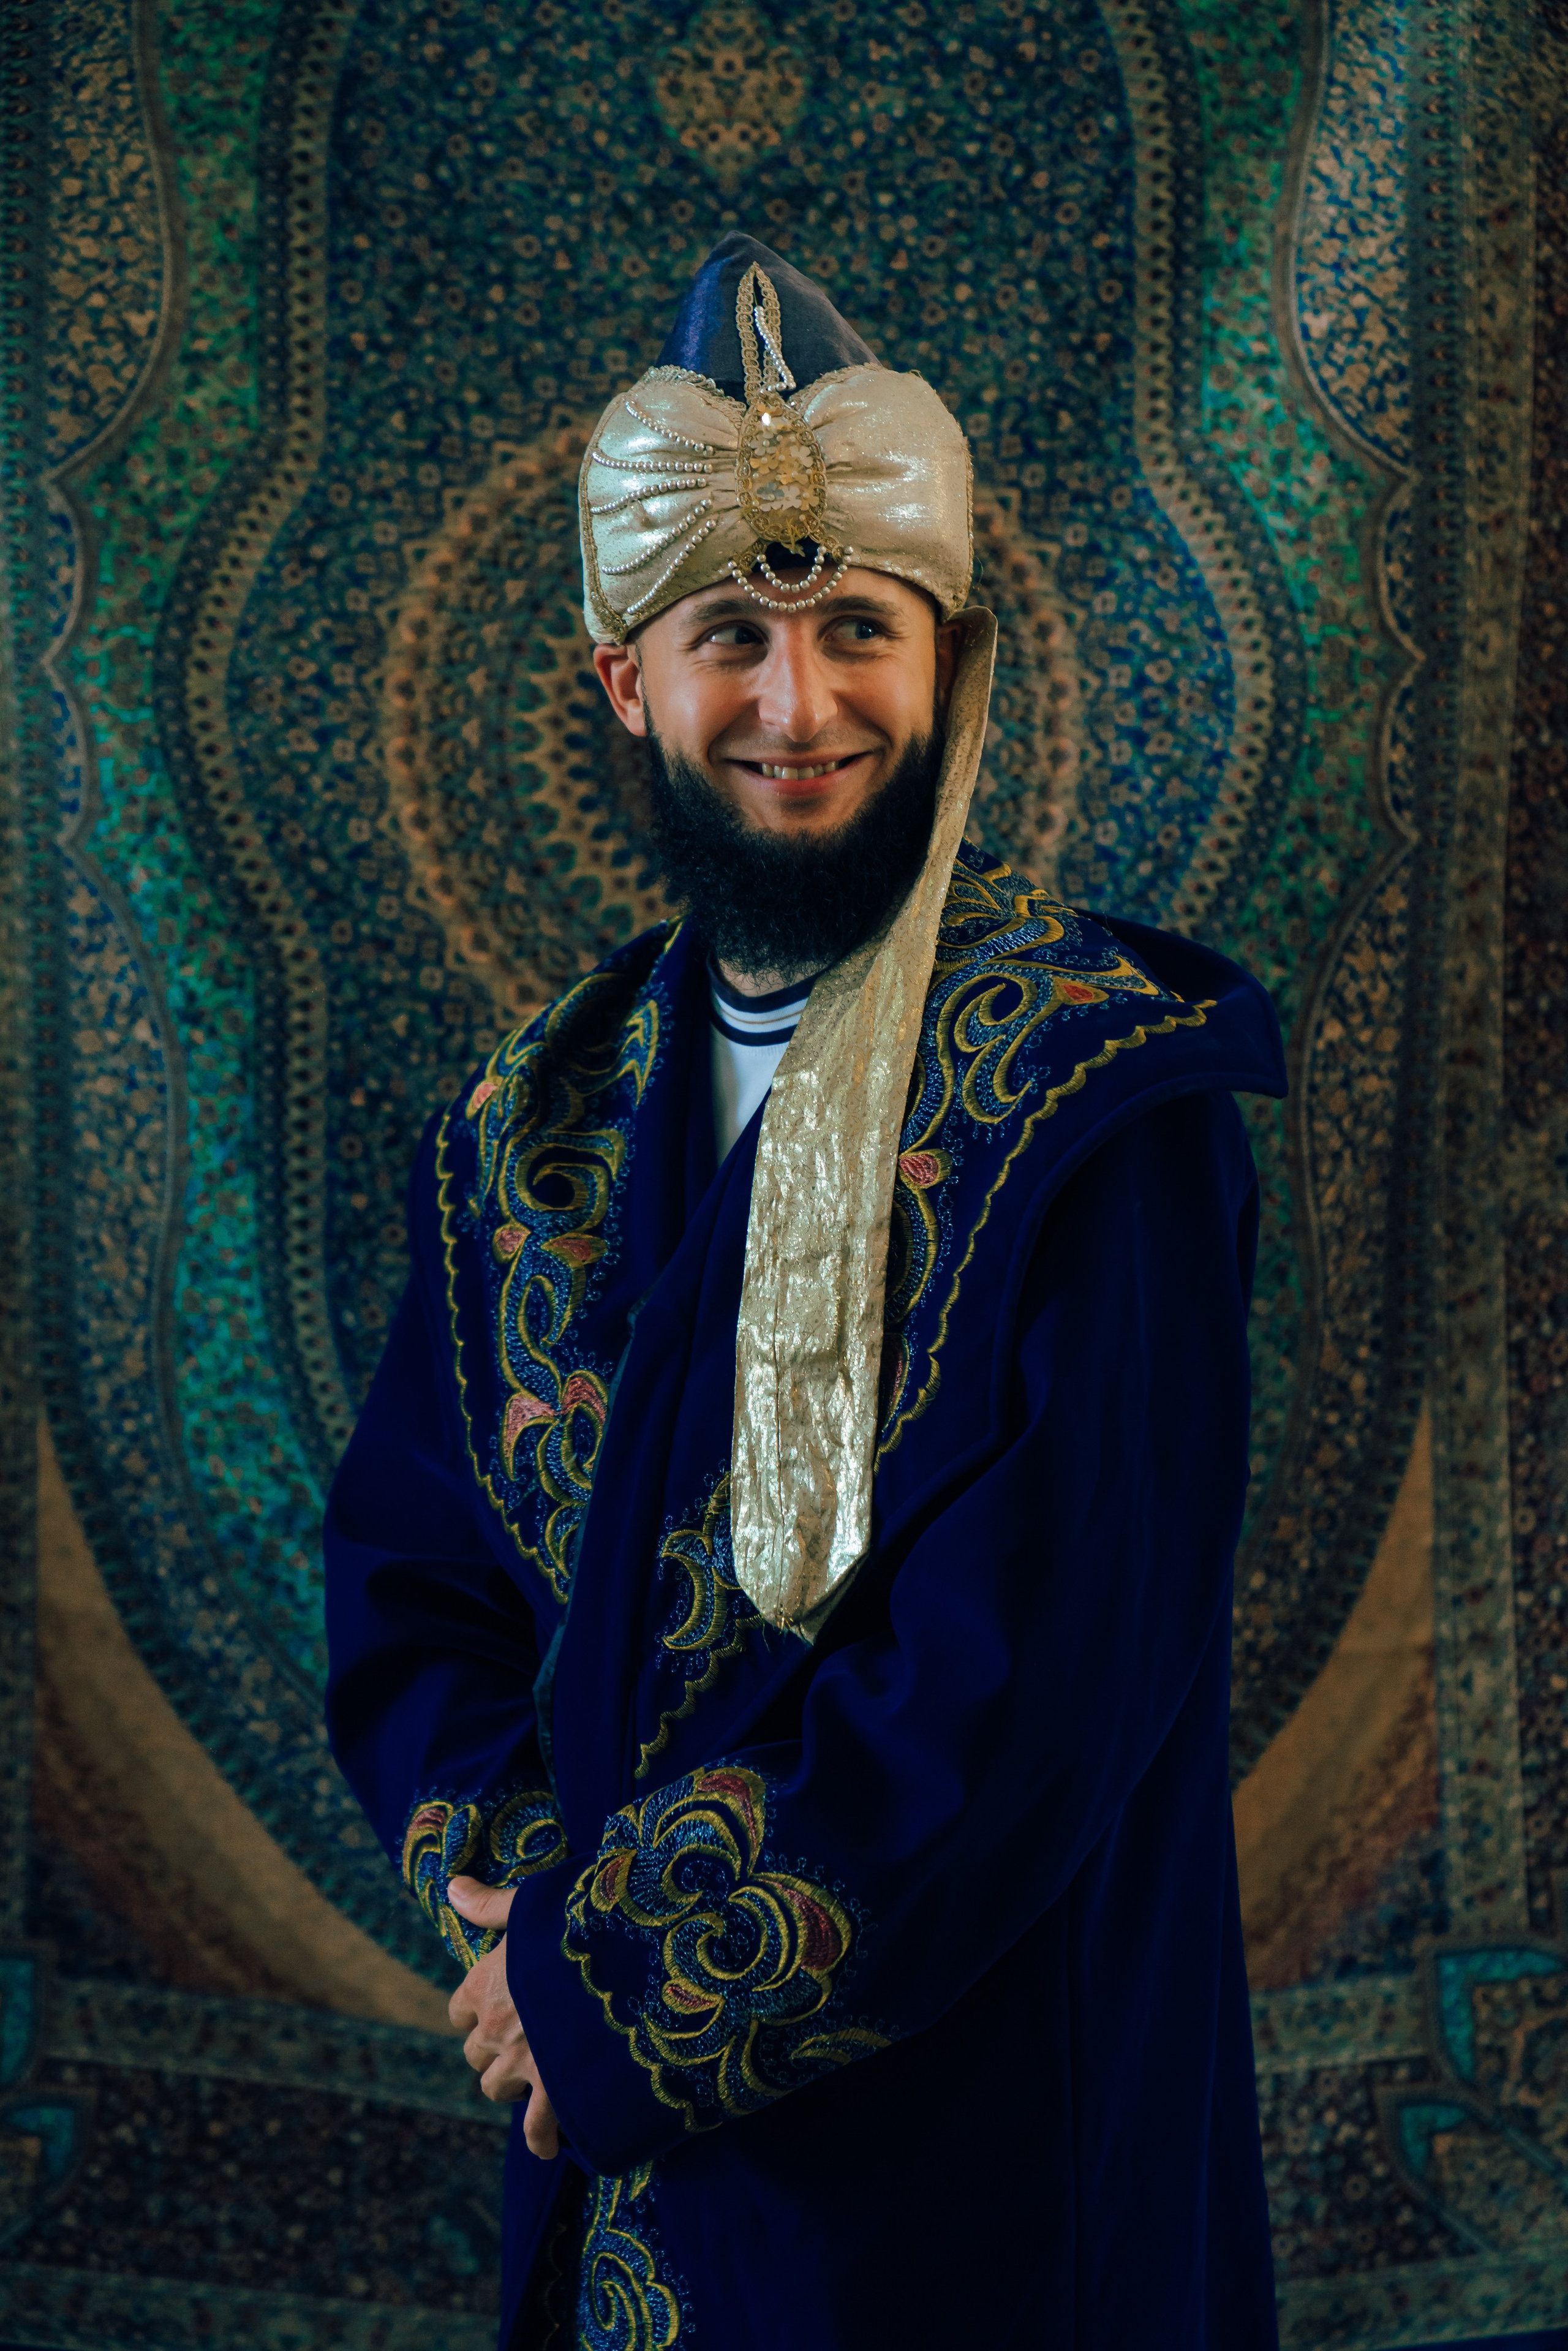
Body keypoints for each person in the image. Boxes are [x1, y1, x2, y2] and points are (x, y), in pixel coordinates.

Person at [325, 234, 1284, 2349]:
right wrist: (527, 1906)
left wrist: (617, 1981)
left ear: (949, 656)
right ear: (625, 682)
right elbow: (415, 1579)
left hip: (989, 2147)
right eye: (730, 640)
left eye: (858, 628)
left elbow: (1028, 1685)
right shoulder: (527, 1126)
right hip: (614, 2144)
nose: (799, 706)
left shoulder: (1094, 1105)